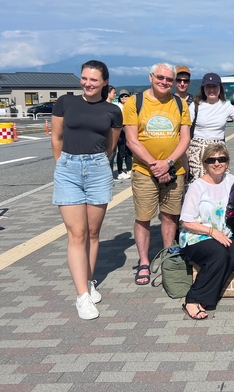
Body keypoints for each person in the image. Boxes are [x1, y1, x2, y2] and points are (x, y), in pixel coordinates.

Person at [51, 60, 122, 319]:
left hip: (98, 169)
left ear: (104, 82)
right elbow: (56, 138)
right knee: (77, 233)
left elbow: (110, 146)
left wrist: (96, 163)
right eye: (84, 78)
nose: (88, 84)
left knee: (93, 232)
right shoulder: (65, 103)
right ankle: (81, 296)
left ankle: (89, 282)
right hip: (68, 168)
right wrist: (62, 165)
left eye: (94, 80)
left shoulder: (113, 110)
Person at [123, 63, 192, 286]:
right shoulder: (135, 102)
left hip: (174, 169)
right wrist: (155, 165)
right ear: (151, 77)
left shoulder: (179, 103)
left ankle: (167, 257)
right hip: (144, 170)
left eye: (169, 80)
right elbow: (131, 140)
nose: (165, 82)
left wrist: (169, 162)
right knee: (144, 217)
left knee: (171, 215)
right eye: (160, 77)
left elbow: (185, 138)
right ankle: (144, 261)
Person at [179, 143, 234, 320]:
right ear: (204, 163)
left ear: (227, 162)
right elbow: (186, 221)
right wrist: (212, 232)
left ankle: (208, 295)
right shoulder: (196, 187)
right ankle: (192, 299)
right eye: (211, 160)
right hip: (196, 236)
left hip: (222, 235)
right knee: (219, 254)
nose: (217, 163)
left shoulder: (232, 181)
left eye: (221, 159)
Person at [115, 90, 133, 179]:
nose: (124, 98)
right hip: (121, 132)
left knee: (129, 152)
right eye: (122, 96)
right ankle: (120, 171)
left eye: (126, 96)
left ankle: (129, 170)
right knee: (121, 151)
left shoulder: (131, 106)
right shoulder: (118, 107)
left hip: (129, 131)